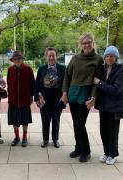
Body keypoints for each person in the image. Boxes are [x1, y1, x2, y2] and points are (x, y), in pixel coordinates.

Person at [61, 32, 103, 162]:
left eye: (88, 42)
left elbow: (98, 80)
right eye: (84, 43)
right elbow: (67, 76)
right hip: (73, 93)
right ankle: (78, 148)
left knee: (80, 123)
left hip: (86, 94)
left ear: (92, 43)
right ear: (81, 44)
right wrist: (64, 93)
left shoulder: (98, 59)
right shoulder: (75, 58)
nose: (86, 45)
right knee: (75, 123)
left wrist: (93, 97)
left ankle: (86, 151)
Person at [94, 46, 123, 165]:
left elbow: (116, 89)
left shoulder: (120, 70)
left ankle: (113, 154)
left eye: (111, 56)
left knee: (112, 131)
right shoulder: (103, 68)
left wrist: (99, 83)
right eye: (107, 56)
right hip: (103, 106)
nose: (109, 58)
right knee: (103, 130)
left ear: (116, 57)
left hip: (114, 107)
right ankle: (106, 153)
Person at [35, 47, 66, 148]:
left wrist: (65, 96)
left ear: (56, 57)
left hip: (57, 98)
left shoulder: (62, 68)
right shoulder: (42, 68)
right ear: (46, 57)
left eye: (53, 55)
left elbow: (66, 83)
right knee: (45, 120)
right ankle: (45, 139)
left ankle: (55, 139)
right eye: (49, 56)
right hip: (44, 99)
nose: (51, 57)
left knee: (56, 120)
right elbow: (37, 84)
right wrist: (38, 95)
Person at [7, 51, 35, 147]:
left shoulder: (28, 69)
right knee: (14, 120)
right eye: (15, 59)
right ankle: (17, 137)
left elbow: (32, 84)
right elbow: (9, 84)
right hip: (13, 100)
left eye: (19, 59)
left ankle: (24, 137)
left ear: (22, 59)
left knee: (25, 120)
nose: (17, 60)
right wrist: (9, 96)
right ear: (13, 60)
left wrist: (31, 96)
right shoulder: (10, 69)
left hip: (25, 99)